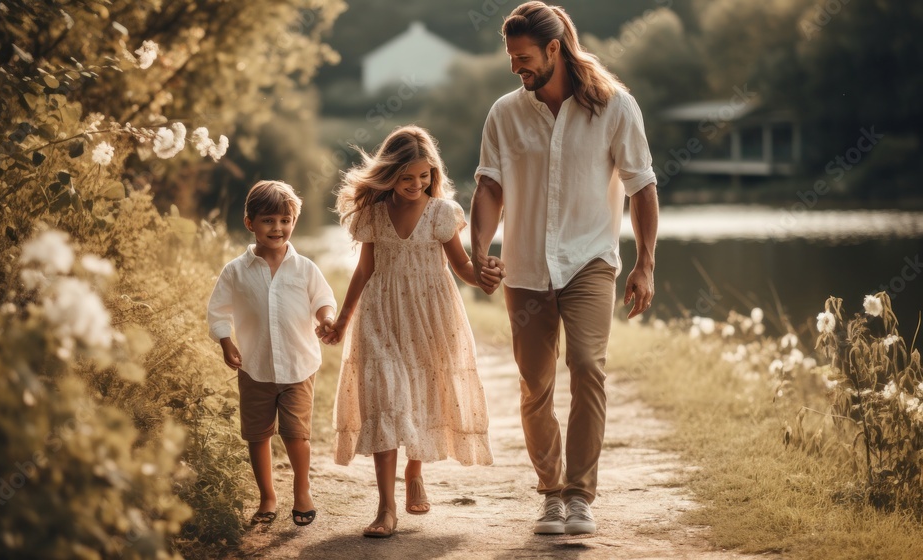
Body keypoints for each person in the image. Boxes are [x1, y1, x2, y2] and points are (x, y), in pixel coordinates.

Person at [470, 1, 659, 536]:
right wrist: (480, 248)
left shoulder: (615, 107)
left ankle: (579, 495)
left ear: (555, 49)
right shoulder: (505, 113)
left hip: (590, 261)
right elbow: (488, 186)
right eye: (511, 57)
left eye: (524, 56)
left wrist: (644, 264)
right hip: (526, 268)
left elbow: (641, 186)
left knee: (587, 366)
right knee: (535, 386)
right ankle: (550, 492)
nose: (516, 67)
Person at [321, 125, 499, 538]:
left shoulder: (442, 213)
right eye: (407, 178)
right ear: (389, 175)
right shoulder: (373, 215)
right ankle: (385, 508)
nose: (417, 184)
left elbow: (463, 269)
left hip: (431, 317)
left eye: (425, 176)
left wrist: (486, 274)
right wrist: (343, 321)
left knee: (420, 397)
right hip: (380, 315)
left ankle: (414, 472)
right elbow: (364, 270)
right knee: (386, 397)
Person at [206, 180, 337, 528]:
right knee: (257, 434)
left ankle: (302, 489)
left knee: (296, 433)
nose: (277, 228)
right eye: (268, 220)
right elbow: (218, 311)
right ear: (250, 223)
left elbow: (324, 299)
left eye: (284, 219)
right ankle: (267, 495)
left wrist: (326, 319)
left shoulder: (305, 268)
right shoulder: (236, 271)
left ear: (293, 220)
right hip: (255, 366)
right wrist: (225, 341)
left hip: (298, 365)